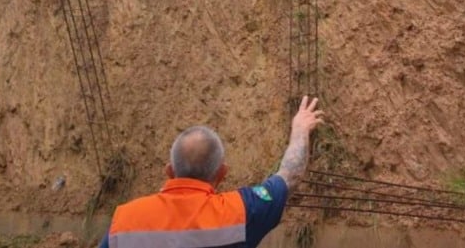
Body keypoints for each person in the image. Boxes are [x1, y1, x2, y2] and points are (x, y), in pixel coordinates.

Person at [99, 96, 324, 248]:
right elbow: (289, 175)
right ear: (222, 173)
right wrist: (300, 129)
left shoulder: (125, 221)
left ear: (169, 171)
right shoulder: (239, 212)